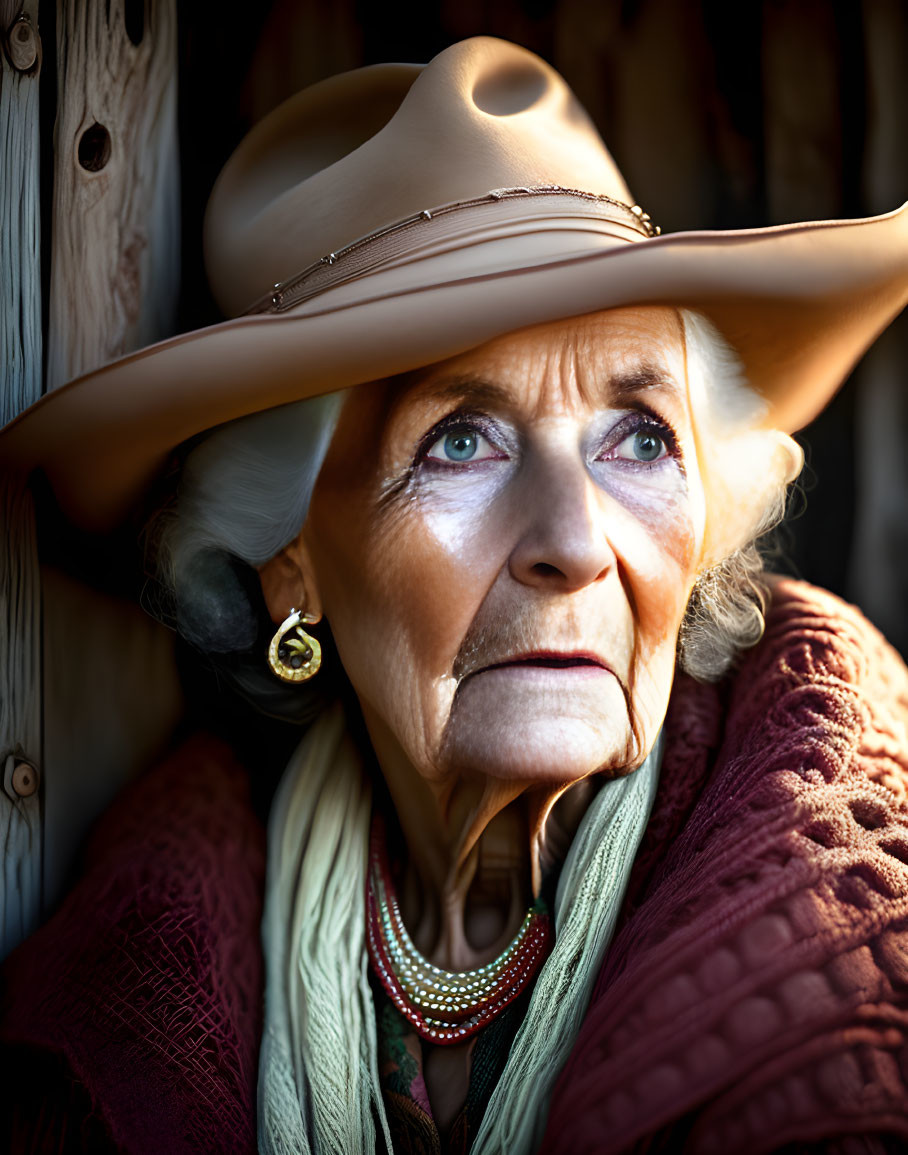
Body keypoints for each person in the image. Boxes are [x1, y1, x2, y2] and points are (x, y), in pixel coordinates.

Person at [2, 35, 908, 1155]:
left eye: (638, 437)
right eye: (460, 440)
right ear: (292, 561)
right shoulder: (135, 958)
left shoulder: (855, 906)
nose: (574, 543)